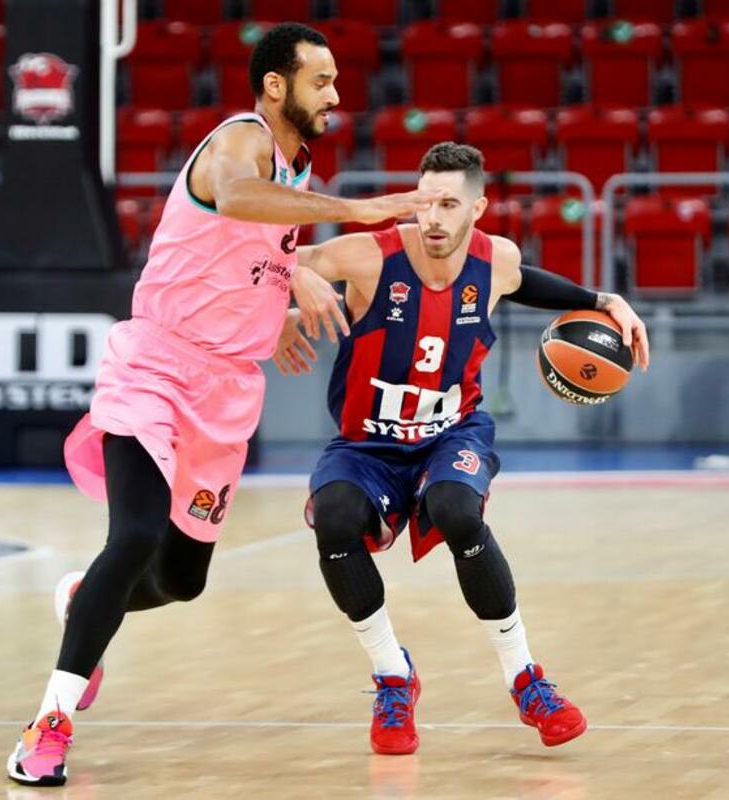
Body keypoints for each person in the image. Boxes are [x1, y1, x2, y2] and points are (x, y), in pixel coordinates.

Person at [6, 22, 442, 787]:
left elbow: (245, 254)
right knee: (134, 534)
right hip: (156, 367)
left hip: (227, 389)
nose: (335, 95)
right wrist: (363, 210)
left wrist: (286, 291)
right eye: (320, 81)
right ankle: (49, 724)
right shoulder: (240, 141)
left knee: (183, 578)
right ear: (275, 85)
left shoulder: (296, 175)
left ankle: (84, 600)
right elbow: (239, 198)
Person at [285, 142, 649, 756]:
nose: (432, 217)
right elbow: (276, 258)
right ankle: (393, 675)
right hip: (367, 442)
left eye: (449, 204)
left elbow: (529, 282)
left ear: (477, 208)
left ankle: (526, 678)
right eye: (425, 202)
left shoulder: (495, 261)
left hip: (451, 433)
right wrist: (286, 292)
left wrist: (603, 302)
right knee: (335, 518)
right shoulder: (367, 256)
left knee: (456, 507)